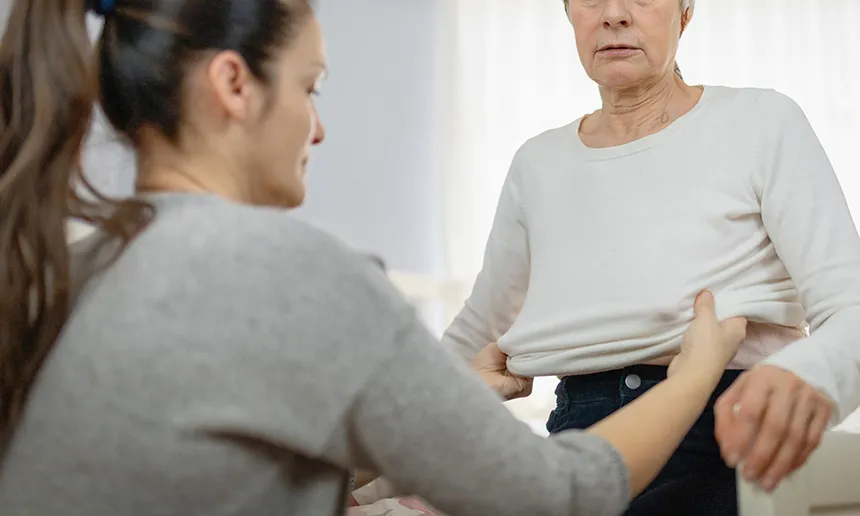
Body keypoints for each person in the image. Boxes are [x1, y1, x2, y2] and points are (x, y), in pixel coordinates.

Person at [0, 0, 750, 515]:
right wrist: (693, 375)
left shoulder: (66, 272)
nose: (318, 130)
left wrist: (448, 403)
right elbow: (557, 496)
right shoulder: (297, 272)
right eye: (310, 88)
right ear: (233, 84)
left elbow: (226, 469)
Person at [441, 0, 860, 514]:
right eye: (591, 0)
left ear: (685, 14)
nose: (614, 15)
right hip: (581, 440)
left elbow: (850, 306)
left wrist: (808, 375)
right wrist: (358, 477)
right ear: (570, 15)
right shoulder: (537, 163)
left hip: (724, 433)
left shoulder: (760, 122)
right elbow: (474, 336)